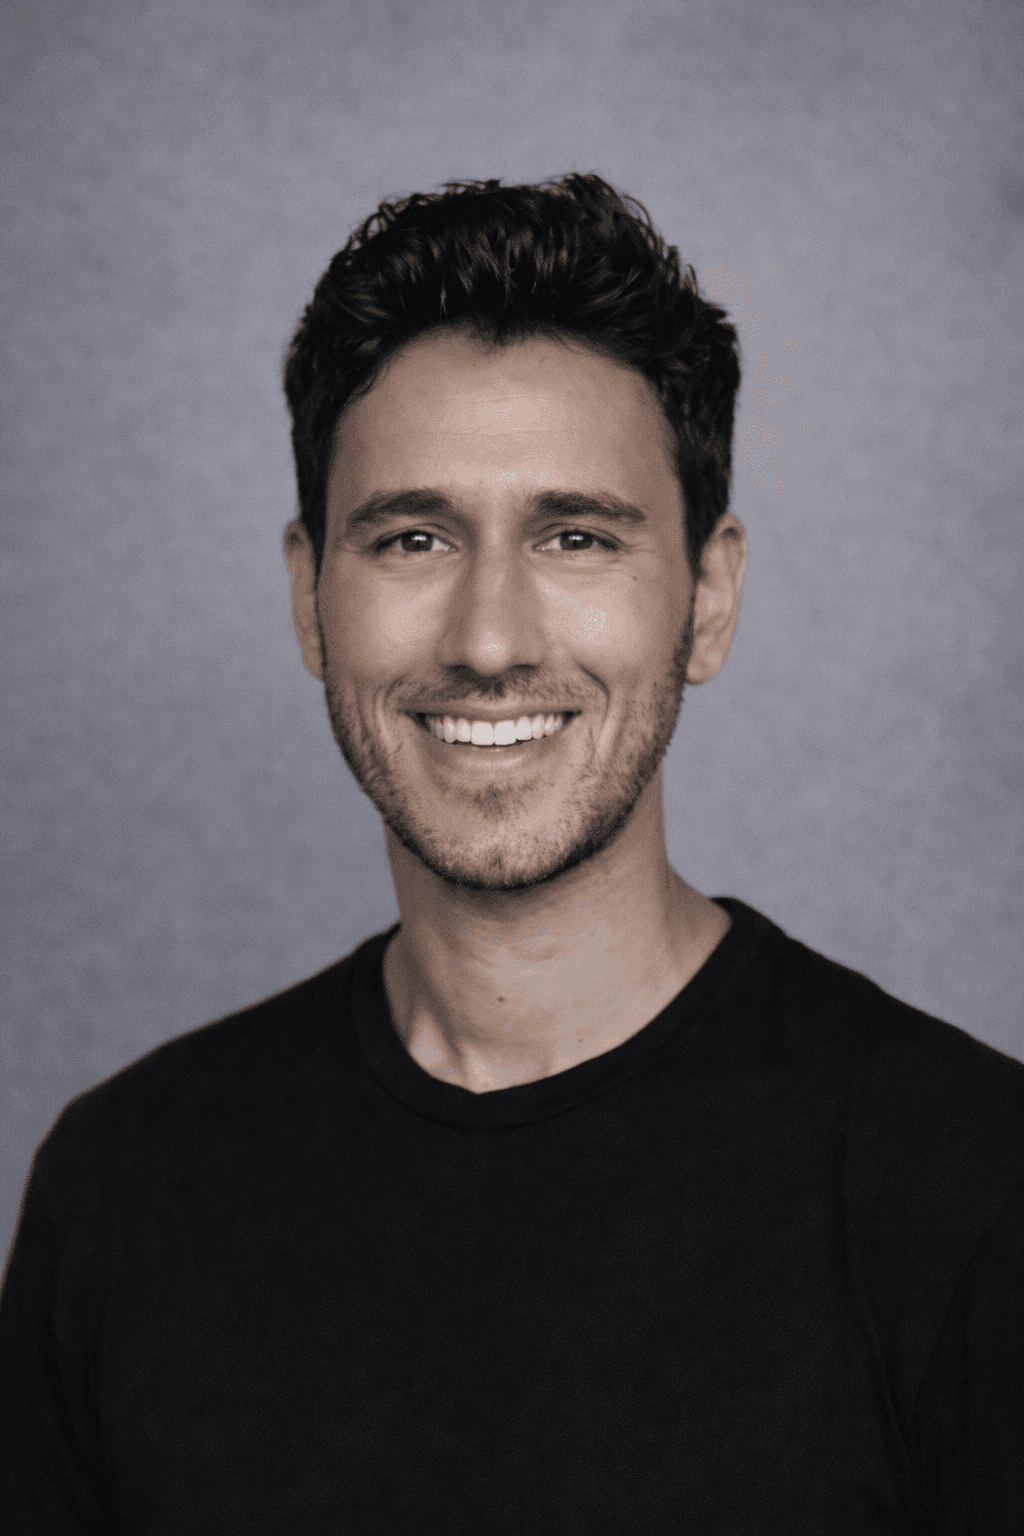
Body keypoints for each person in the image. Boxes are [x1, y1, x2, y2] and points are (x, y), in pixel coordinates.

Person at [1, 174, 1021, 1533]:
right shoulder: (123, 1192)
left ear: (707, 599)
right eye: (413, 537)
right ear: (311, 598)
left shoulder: (971, 1188)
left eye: (577, 536)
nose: (490, 639)